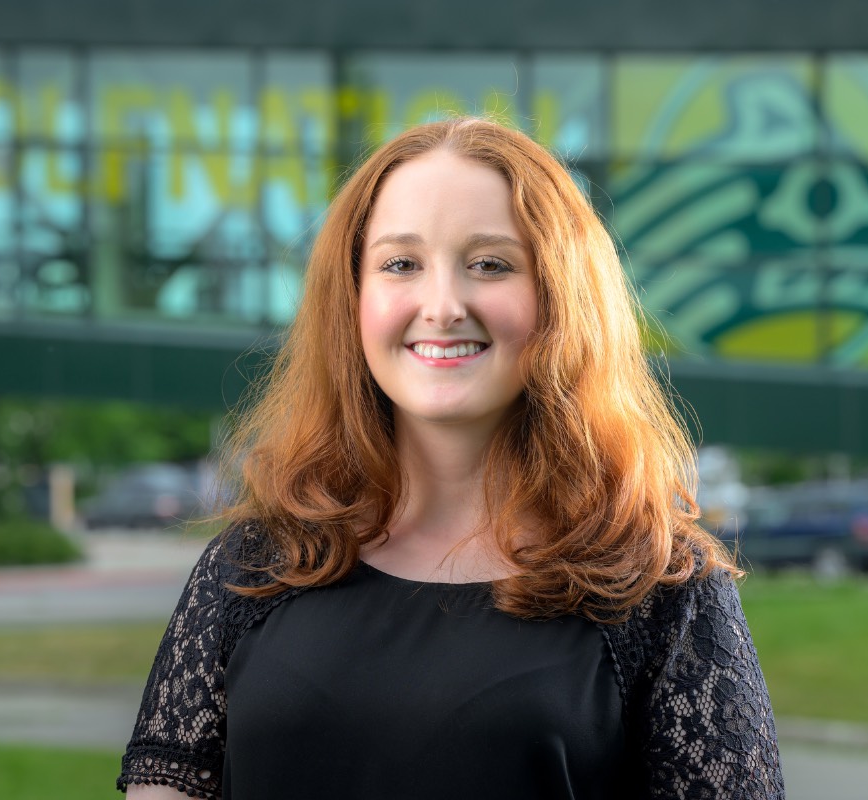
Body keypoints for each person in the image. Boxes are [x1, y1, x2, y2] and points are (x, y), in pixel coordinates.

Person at [117, 117, 784, 799]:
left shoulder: (659, 589)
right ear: (352, 298)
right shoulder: (253, 565)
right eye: (400, 264)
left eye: (490, 264)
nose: (441, 306)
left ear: (560, 299)